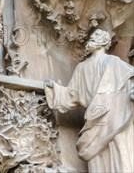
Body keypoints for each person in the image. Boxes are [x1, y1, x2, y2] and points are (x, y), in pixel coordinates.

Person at [44, 29, 134, 172]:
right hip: (95, 119)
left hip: (115, 115)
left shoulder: (113, 61)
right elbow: (71, 94)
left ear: (105, 42)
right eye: (92, 37)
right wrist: (55, 89)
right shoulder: (82, 67)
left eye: (96, 36)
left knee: (118, 152)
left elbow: (130, 80)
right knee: (98, 158)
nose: (92, 38)